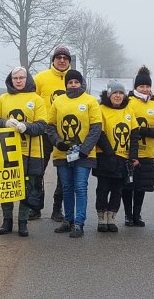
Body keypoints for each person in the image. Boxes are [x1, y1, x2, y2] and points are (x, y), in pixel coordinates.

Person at [0, 66, 50, 237]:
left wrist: (27, 127)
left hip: (31, 153)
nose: (18, 81)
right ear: (11, 80)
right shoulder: (3, 98)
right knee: (6, 187)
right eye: (15, 78)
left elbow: (42, 125)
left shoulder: (36, 99)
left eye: (21, 78)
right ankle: (6, 220)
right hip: (7, 151)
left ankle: (22, 222)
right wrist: (4, 123)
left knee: (28, 187)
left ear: (27, 79)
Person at [47, 69, 101, 238]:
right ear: (66, 84)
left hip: (84, 154)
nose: (73, 85)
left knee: (80, 187)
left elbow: (96, 127)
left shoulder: (90, 101)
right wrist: (58, 142)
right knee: (67, 188)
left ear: (81, 83)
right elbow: (50, 125)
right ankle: (68, 220)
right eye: (70, 82)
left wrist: (85, 149)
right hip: (63, 154)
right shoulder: (58, 101)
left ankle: (79, 223)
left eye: (76, 82)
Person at [34, 46, 73, 221]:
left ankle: (57, 209)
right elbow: (31, 100)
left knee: (63, 173)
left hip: (65, 134)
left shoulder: (74, 79)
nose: (62, 60)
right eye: (59, 57)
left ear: (69, 61)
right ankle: (35, 207)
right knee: (37, 171)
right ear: (53, 60)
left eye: (65, 57)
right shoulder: (41, 78)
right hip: (43, 131)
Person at [93, 81, 138, 232]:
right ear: (109, 95)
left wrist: (132, 156)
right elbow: (99, 132)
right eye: (115, 93)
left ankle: (112, 217)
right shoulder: (101, 109)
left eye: (120, 93)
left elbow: (134, 134)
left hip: (123, 158)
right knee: (103, 188)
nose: (118, 96)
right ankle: (101, 217)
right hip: (105, 156)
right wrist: (109, 152)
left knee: (118, 189)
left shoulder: (129, 110)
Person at [123, 66, 154, 227]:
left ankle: (137, 215)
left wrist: (142, 130)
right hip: (129, 152)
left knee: (141, 186)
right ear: (135, 87)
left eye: (147, 86)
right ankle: (128, 215)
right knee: (127, 185)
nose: (145, 89)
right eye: (141, 86)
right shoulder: (128, 103)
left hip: (147, 153)